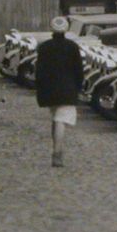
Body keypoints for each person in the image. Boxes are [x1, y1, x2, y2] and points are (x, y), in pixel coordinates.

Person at [35, 15, 85, 167]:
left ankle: (55, 148)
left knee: (56, 118)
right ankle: (57, 153)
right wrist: (79, 86)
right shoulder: (72, 47)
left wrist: (40, 89)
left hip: (49, 89)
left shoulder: (43, 47)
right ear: (66, 29)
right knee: (61, 120)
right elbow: (79, 70)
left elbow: (39, 71)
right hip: (67, 88)